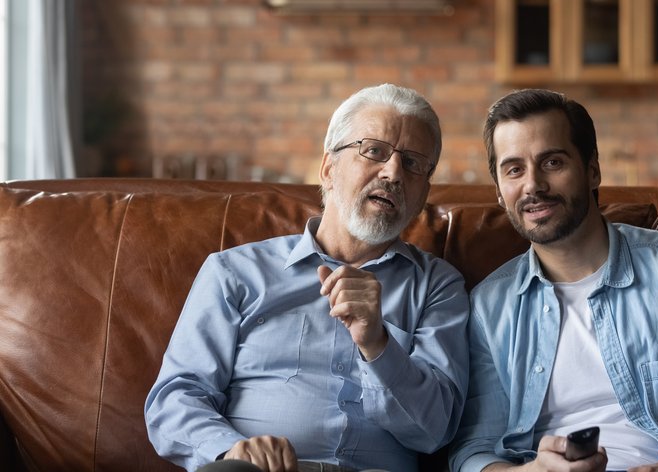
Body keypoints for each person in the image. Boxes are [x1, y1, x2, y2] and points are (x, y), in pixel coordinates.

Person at [449, 89, 658, 472]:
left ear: (592, 169)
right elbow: (474, 450)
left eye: (552, 162)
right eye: (514, 169)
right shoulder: (487, 308)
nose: (533, 185)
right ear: (499, 190)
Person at [145, 83, 470, 472]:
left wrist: (378, 344)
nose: (394, 172)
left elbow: (434, 431)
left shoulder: (439, 287)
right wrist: (231, 450)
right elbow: (175, 399)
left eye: (414, 163)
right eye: (374, 151)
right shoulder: (235, 272)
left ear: (423, 194)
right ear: (328, 168)